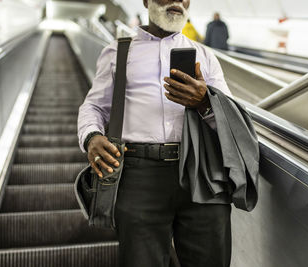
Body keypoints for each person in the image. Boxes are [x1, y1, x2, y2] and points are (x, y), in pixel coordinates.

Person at [78, 0, 233, 266]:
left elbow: (231, 122)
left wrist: (204, 101)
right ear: (146, 1)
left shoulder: (204, 55)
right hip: (139, 174)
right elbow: (94, 106)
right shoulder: (118, 53)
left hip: (201, 171)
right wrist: (92, 136)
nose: (176, 2)